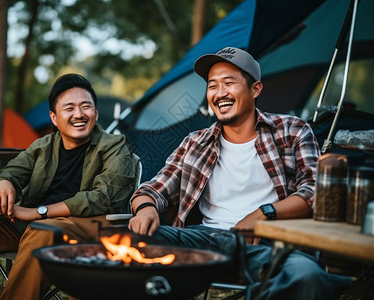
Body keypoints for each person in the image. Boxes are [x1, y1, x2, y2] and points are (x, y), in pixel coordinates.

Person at [128, 47, 352, 299]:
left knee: (305, 275)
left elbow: (315, 191)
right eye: (212, 86)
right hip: (203, 241)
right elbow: (153, 189)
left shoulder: (292, 131)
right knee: (129, 241)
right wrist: (145, 208)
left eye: (228, 83)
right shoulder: (196, 141)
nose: (219, 93)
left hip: (268, 244)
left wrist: (263, 214)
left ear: (255, 89)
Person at [0, 73, 139, 300]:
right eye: (69, 108)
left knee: (41, 231)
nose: (79, 114)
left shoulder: (115, 146)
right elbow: (9, 173)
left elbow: (105, 198)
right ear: (54, 118)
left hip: (84, 232)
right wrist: (1, 183)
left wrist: (38, 213)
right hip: (26, 230)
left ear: (95, 112)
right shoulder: (42, 146)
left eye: (86, 106)